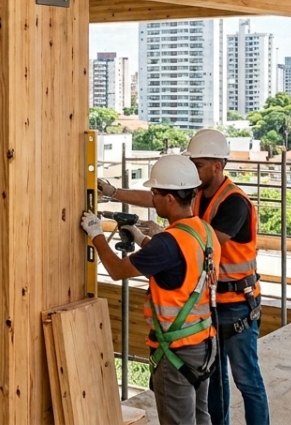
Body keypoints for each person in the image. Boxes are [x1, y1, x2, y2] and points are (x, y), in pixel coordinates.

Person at [99, 129, 269, 425]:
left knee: (247, 382)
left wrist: (157, 238)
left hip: (236, 304)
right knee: (212, 389)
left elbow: (185, 249)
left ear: (218, 165)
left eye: (199, 164)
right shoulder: (196, 195)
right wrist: (114, 194)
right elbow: (164, 211)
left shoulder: (233, 203)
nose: (194, 168)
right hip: (208, 311)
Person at [81, 155, 220, 425]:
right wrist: (142, 239)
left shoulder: (167, 242)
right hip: (204, 342)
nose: (152, 199)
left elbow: (117, 270)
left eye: (155, 193)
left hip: (176, 349)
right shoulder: (203, 231)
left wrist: (96, 233)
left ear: (170, 198)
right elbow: (177, 262)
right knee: (201, 417)